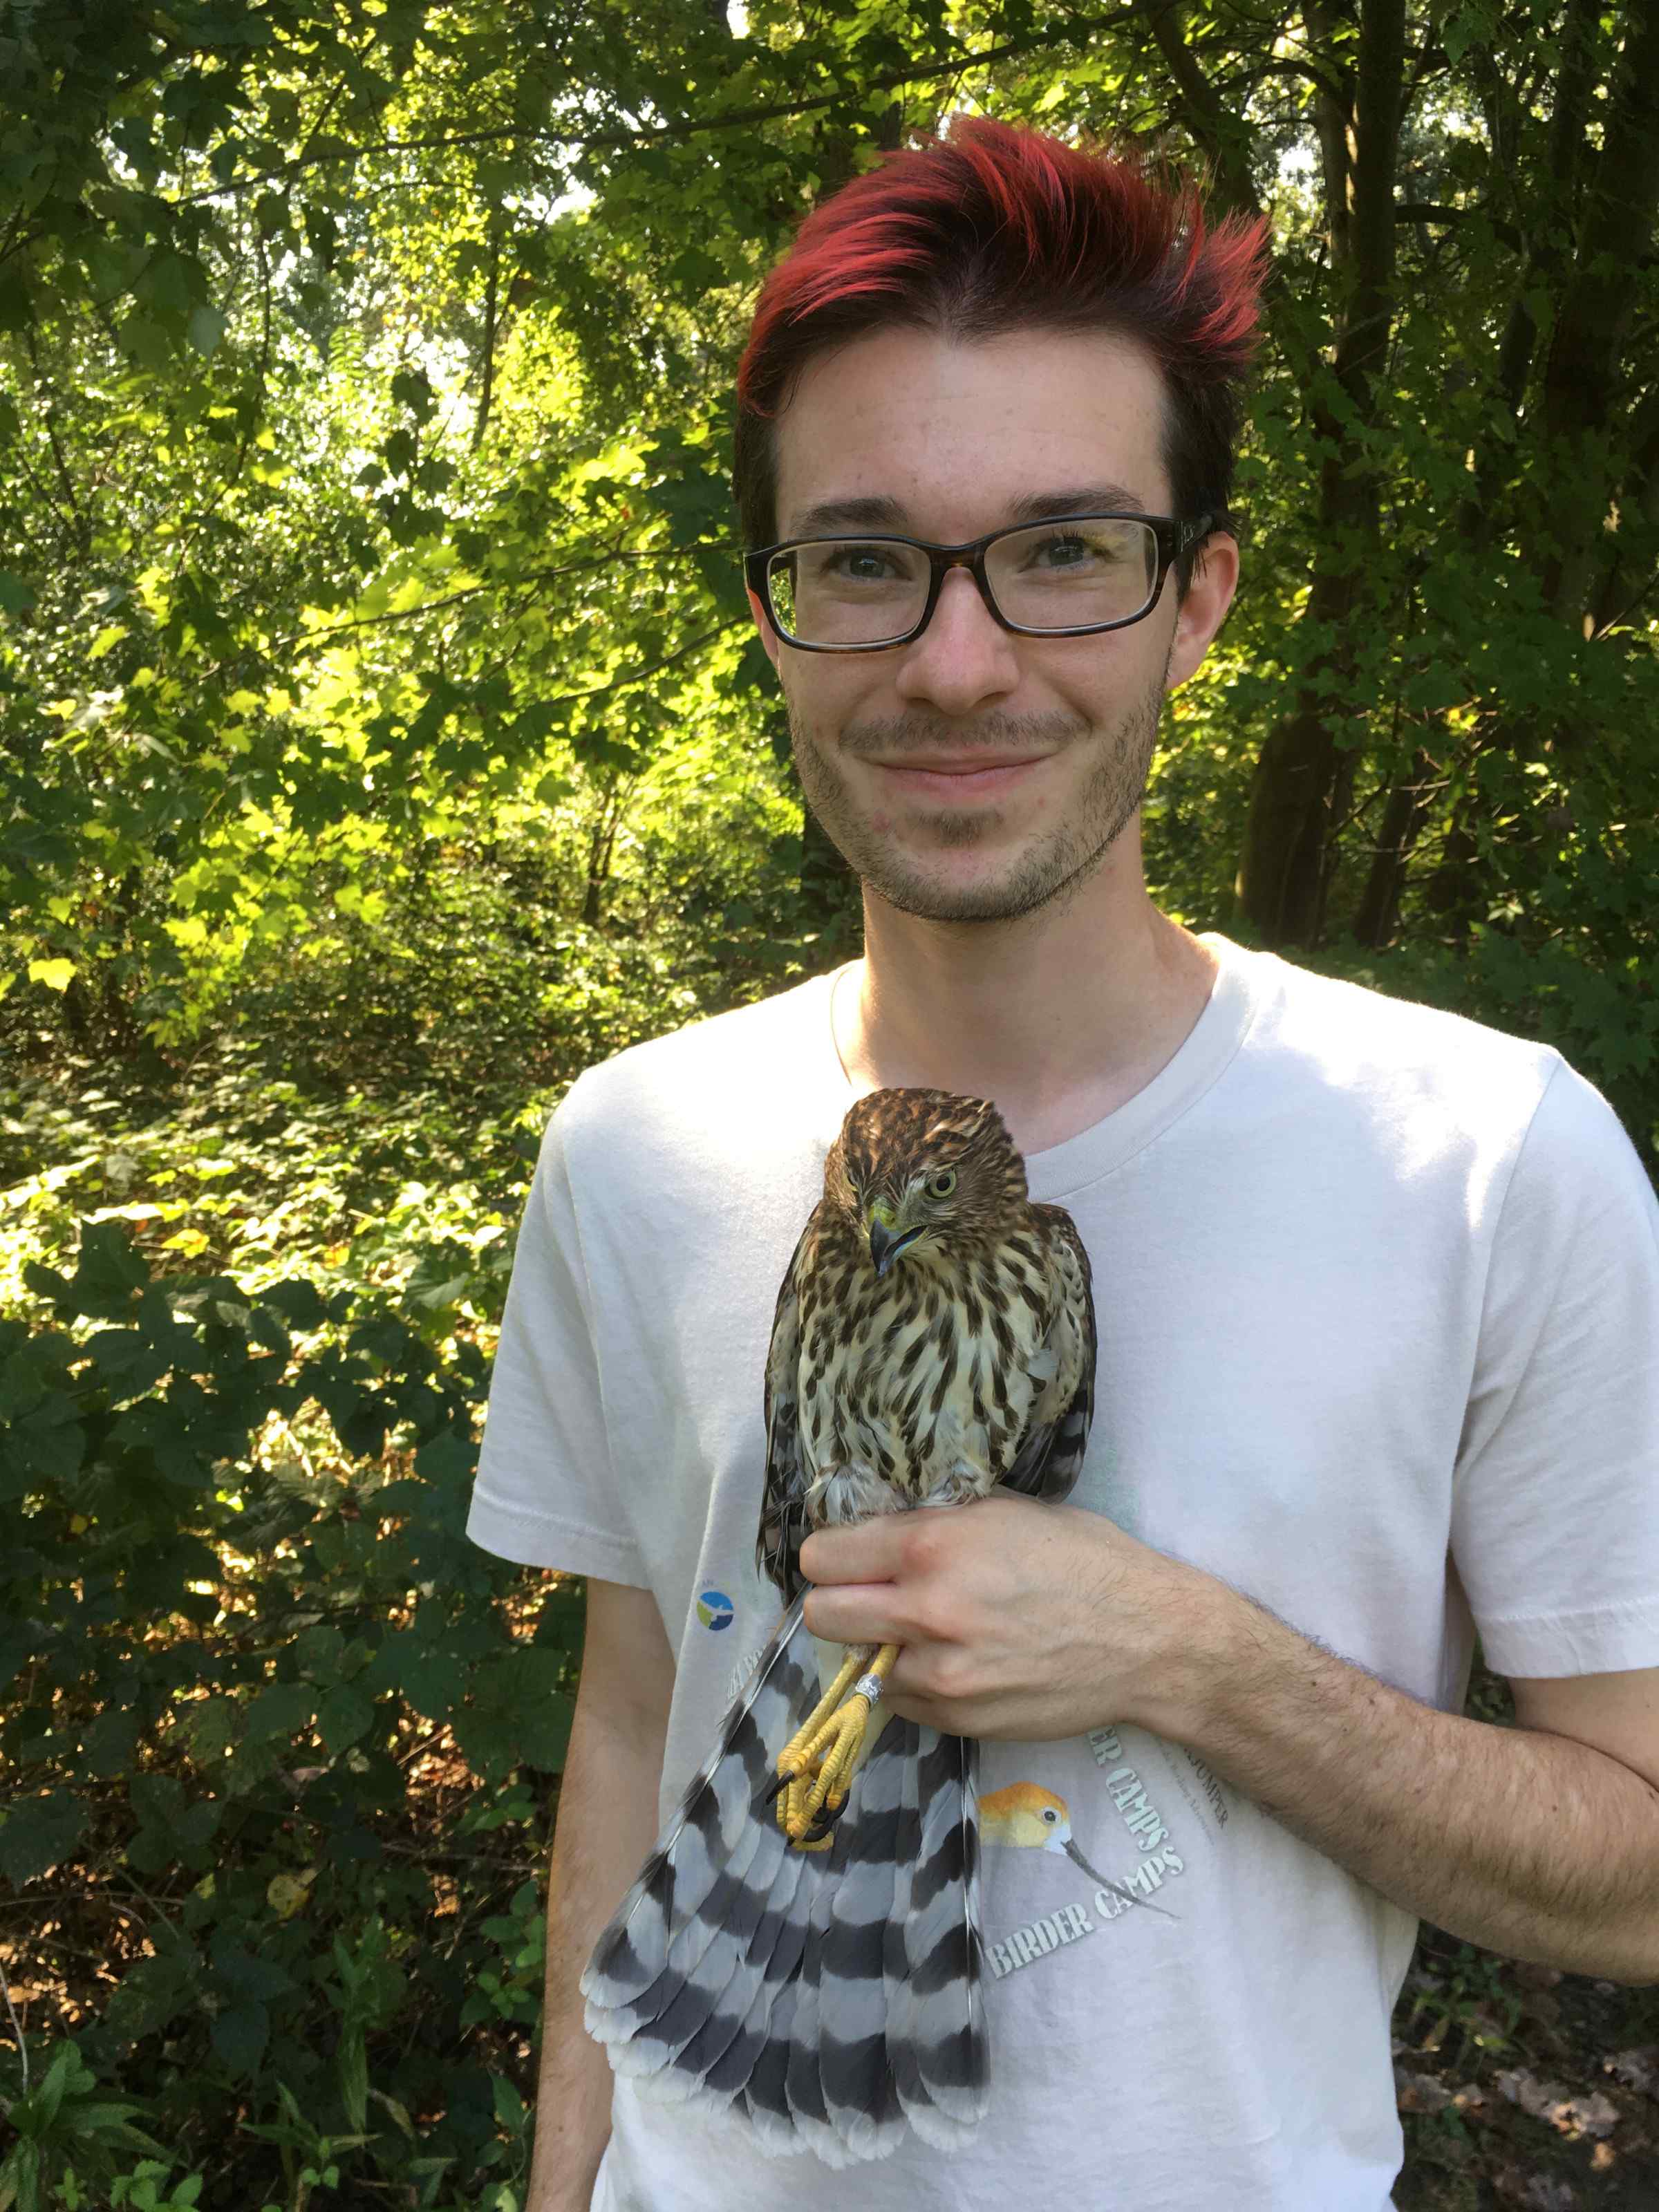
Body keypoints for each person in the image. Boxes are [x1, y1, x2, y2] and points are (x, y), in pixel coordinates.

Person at [464, 117, 1659, 2212]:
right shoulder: (631, 1144)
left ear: (1195, 599)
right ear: (775, 617)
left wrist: (1189, 1658)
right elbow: (641, 1732)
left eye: (1062, 549)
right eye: (863, 559)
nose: (953, 660)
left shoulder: (1486, 1159)